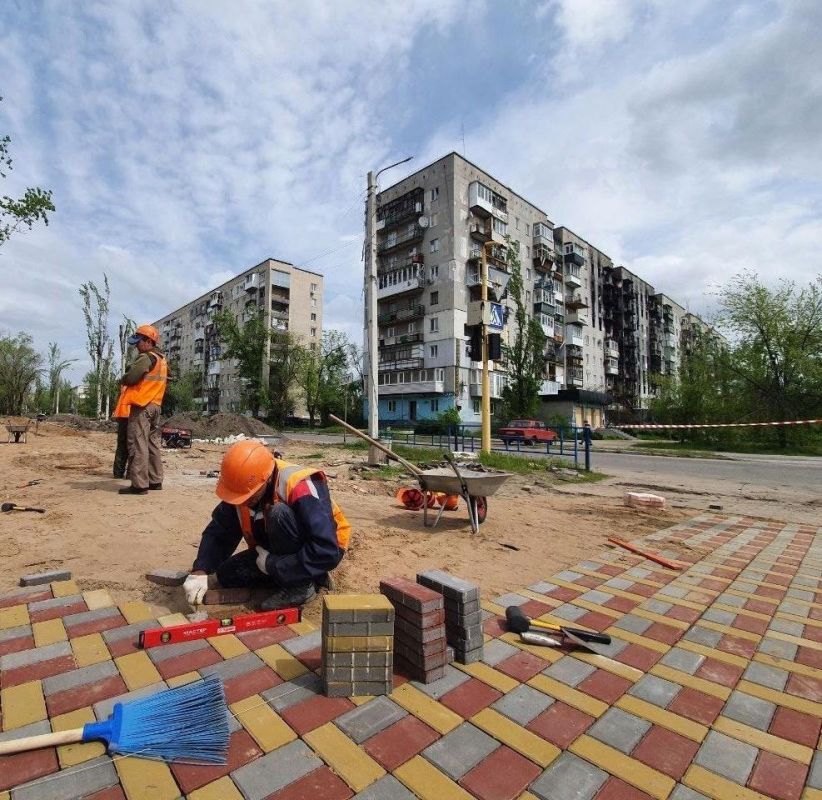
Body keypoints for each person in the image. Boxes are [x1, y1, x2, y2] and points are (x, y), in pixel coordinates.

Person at [183, 440, 350, 610]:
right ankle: (295, 574)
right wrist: (201, 569)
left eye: (250, 496)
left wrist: (271, 564)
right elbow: (220, 531)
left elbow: (325, 550)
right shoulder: (243, 490)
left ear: (267, 478)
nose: (245, 502)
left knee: (278, 514)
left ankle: (300, 586)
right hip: (276, 545)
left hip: (324, 547)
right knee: (227, 575)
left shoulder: (301, 486)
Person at [117, 324, 168, 495]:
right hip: (155, 406)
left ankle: (139, 484)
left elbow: (131, 378)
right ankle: (155, 480)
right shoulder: (161, 359)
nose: (137, 346)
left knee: (138, 443)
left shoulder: (146, 357)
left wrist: (124, 377)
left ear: (148, 341)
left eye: (139, 342)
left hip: (142, 405)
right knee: (152, 444)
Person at [111, 386, 130, 479]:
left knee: (121, 446)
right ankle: (131, 474)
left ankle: (118, 473)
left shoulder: (125, 384)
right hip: (133, 416)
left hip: (123, 415)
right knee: (134, 446)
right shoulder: (137, 382)